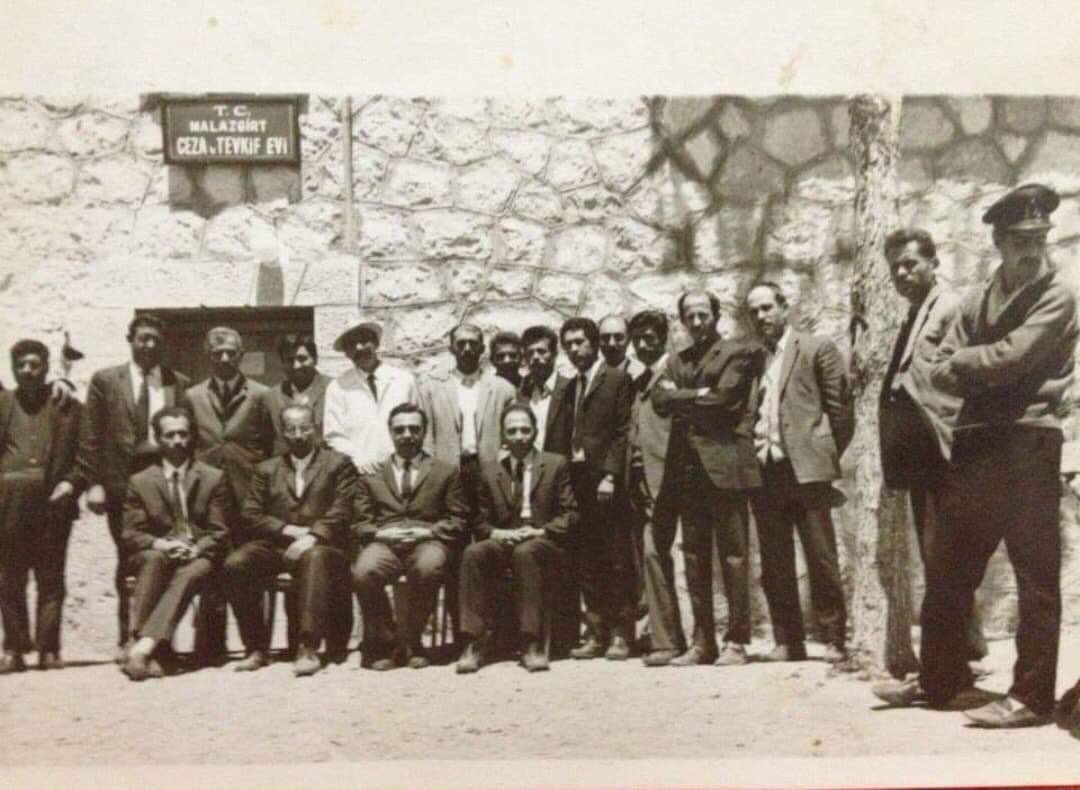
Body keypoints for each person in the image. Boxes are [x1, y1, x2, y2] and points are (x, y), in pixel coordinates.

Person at [876, 183, 1079, 729]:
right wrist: (970, 364)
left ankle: (1032, 698)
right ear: (998, 241)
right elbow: (941, 356)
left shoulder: (1059, 293)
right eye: (1017, 239)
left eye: (1037, 237)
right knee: (949, 569)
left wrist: (965, 365)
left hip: (1028, 442)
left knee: (1036, 577)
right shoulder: (984, 292)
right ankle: (941, 680)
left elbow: (1011, 359)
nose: (1029, 248)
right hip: (978, 442)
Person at [878, 228, 988, 672]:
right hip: (921, 457)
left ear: (933, 263)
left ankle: (948, 667)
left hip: (947, 450)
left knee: (947, 559)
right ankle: (968, 650)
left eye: (910, 264)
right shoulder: (915, 313)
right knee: (937, 556)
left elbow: (955, 378)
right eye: (895, 268)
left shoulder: (949, 307)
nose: (902, 273)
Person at [66, 313, 190, 661]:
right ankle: (128, 637)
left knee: (166, 558)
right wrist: (94, 485)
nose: (149, 345)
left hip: (162, 485)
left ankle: (161, 642)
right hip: (120, 485)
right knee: (128, 560)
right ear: (131, 339)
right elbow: (90, 436)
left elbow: (185, 436)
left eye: (155, 339)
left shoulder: (176, 382)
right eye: (143, 338)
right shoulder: (106, 381)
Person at [653, 290, 764, 667]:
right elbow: (659, 401)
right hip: (686, 471)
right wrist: (698, 393)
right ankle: (703, 643)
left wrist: (683, 396)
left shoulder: (737, 352)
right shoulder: (676, 359)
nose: (697, 322)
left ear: (715, 316)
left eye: (703, 315)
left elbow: (725, 402)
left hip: (725, 469)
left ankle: (736, 642)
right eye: (690, 316)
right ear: (682, 320)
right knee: (695, 557)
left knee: (734, 556)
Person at [745, 282, 853, 663]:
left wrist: (821, 454)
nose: (761, 317)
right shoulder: (755, 359)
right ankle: (788, 640)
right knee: (775, 562)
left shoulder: (815, 347)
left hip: (807, 471)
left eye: (767, 307)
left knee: (821, 557)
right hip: (766, 472)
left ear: (784, 306)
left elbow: (841, 410)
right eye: (754, 311)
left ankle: (835, 637)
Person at [224, 404, 356, 677]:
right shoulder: (267, 469)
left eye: (304, 428)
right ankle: (256, 647)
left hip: (326, 547)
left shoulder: (338, 463)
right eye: (291, 429)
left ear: (315, 428)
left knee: (314, 556)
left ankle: (307, 646)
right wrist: (288, 530)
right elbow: (251, 514)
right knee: (236, 563)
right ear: (282, 433)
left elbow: (343, 509)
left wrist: (313, 535)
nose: (299, 435)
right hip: (279, 544)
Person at [456, 404, 578, 673]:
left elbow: (570, 514)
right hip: (505, 540)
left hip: (544, 544)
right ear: (503, 436)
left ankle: (530, 643)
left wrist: (540, 531)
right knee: (474, 553)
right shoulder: (489, 471)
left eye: (525, 429)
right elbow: (479, 519)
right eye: (512, 431)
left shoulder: (555, 464)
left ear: (535, 431)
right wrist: (498, 533)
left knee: (527, 552)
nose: (520, 436)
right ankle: (473, 642)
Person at [181, 326, 276, 662]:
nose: (224, 358)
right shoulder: (192, 396)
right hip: (209, 497)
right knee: (211, 566)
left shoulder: (261, 395)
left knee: (244, 569)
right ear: (208, 356)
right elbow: (187, 446)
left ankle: (255, 646)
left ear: (240, 355)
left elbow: (273, 447)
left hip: (249, 496)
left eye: (231, 352)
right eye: (217, 352)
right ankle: (209, 646)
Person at [351, 403, 468, 670]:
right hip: (385, 542)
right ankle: (386, 640)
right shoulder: (372, 474)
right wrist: (381, 533)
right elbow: (359, 521)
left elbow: (458, 519)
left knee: (429, 567)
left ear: (424, 432)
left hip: (427, 540)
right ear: (390, 433)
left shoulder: (444, 471)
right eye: (400, 429)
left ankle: (412, 639)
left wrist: (427, 531)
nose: (407, 434)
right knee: (363, 571)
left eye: (414, 429)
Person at [119, 407, 230, 681]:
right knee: (154, 560)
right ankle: (154, 650)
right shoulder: (140, 481)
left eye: (183, 433)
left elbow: (219, 531)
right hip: (159, 552)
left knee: (192, 571)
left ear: (192, 436)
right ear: (158, 439)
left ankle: (142, 646)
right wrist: (162, 545)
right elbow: (131, 534)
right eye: (170, 435)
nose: (178, 440)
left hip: (200, 553)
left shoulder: (212, 477)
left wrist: (196, 548)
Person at [0, 340, 82, 673]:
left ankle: (49, 649)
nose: (28, 371)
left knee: (51, 577)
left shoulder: (67, 406)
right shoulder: (2, 403)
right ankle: (14, 649)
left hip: (52, 502)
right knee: (9, 578)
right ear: (14, 369)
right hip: (8, 504)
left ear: (47, 367)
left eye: (34, 364)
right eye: (21, 365)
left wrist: (72, 484)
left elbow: (85, 454)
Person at [560, 316, 635, 661]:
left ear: (594, 344)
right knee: (587, 558)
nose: (575, 349)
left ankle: (621, 634)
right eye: (569, 344)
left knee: (616, 558)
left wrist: (610, 476)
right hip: (576, 481)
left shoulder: (616, 379)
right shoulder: (569, 386)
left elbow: (623, 431)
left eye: (580, 342)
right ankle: (595, 632)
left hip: (605, 482)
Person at [624, 310, 686, 667]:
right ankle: (663, 636)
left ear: (663, 337)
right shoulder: (640, 381)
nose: (645, 344)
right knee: (650, 555)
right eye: (639, 339)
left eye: (651, 337)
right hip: (641, 483)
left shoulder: (674, 374)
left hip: (668, 480)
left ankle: (671, 640)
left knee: (656, 552)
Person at [417, 323, 517, 514]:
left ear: (482, 349)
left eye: (473, 343)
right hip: (447, 467)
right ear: (451, 348)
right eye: (461, 343)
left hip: (488, 466)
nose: (467, 349)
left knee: (487, 521)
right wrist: (432, 471)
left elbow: (509, 435)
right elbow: (426, 436)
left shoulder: (503, 389)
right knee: (452, 523)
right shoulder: (431, 387)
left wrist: (501, 465)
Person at [324, 320, 418, 475]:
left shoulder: (404, 380)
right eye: (351, 344)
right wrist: (359, 459)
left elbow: (418, 424)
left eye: (363, 340)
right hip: (359, 474)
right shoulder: (337, 387)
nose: (359, 348)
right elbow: (334, 435)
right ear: (346, 353)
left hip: (404, 471)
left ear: (376, 343)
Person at [267, 334, 332, 456]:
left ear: (315, 359)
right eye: (289, 360)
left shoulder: (334, 389)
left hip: (325, 468)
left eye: (302, 359)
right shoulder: (271, 396)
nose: (296, 366)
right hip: (285, 469)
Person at [517, 325, 573, 455]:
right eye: (530, 353)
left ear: (554, 354)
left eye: (541, 351)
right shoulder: (522, 392)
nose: (535, 357)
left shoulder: (569, 389)